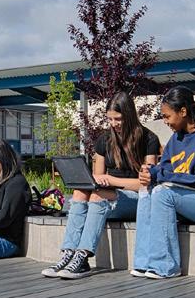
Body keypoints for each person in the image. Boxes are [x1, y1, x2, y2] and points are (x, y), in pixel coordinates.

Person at [42, 92, 161, 279]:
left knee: (99, 195)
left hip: (138, 199)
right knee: (80, 192)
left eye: (118, 119)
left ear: (129, 115)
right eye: (110, 119)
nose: (114, 124)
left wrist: (112, 181)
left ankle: (82, 257)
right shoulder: (105, 140)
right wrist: (95, 180)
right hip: (108, 196)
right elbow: (97, 178)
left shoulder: (148, 139)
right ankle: (68, 253)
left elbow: (147, 183)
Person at [132, 86, 195, 279]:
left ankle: (165, 266)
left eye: (167, 116)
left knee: (162, 193)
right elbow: (163, 170)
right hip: (192, 201)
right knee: (147, 190)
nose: (165, 121)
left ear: (183, 111)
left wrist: (158, 174)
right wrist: (149, 173)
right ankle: (143, 262)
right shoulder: (175, 139)